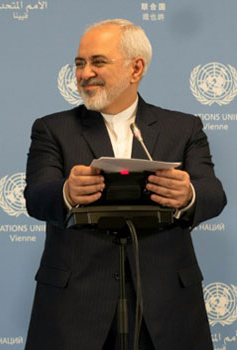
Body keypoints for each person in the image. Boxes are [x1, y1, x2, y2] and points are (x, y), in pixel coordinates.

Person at [24, 19, 225, 350]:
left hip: (165, 308)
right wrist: (66, 192)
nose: (85, 72)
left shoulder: (183, 127)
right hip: (75, 308)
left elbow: (214, 194)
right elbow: (36, 195)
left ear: (136, 68)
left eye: (98, 62)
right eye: (79, 63)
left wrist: (188, 194)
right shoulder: (52, 128)